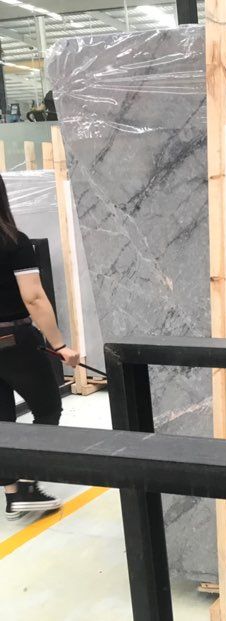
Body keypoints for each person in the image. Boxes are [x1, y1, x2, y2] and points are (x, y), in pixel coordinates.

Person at [0, 173, 79, 519]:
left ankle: (12, 494)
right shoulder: (14, 242)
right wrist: (60, 345)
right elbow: (33, 297)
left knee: (1, 421)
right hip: (15, 341)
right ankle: (28, 484)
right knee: (48, 409)